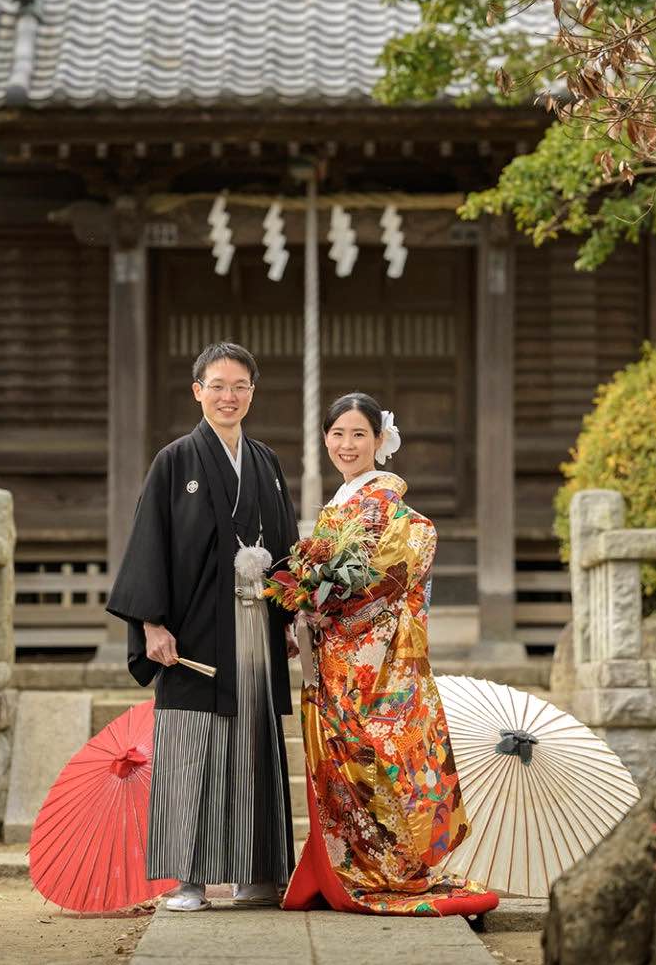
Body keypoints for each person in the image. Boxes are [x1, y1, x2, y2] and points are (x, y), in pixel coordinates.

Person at [282, 392, 499, 917]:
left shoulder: (387, 508)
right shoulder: (343, 504)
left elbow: (388, 576)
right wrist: (303, 605)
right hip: (334, 658)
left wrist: (319, 602)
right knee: (345, 765)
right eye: (337, 434)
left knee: (380, 758)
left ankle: (388, 869)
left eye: (359, 435)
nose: (347, 445)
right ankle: (349, 865)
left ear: (381, 441)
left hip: (372, 663)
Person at [106, 342, 297, 912]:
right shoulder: (174, 460)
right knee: (191, 747)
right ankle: (187, 879)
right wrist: (150, 624)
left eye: (239, 386)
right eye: (217, 385)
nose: (228, 396)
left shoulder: (265, 462)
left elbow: (285, 544)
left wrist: (287, 616)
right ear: (198, 392)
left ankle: (254, 871)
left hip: (254, 624)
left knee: (251, 746)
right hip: (190, 632)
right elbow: (150, 545)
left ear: (252, 394)